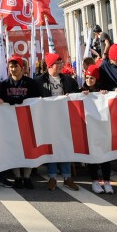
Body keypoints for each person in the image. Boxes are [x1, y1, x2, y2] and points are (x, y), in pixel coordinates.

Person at [34, 53, 79, 191]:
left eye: (61, 63)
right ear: (50, 65)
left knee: (65, 145)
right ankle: (52, 177)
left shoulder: (68, 80)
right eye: (58, 63)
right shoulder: (38, 81)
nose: (61, 66)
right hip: (47, 120)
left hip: (64, 118)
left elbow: (77, 95)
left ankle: (67, 176)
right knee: (51, 147)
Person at [0, 55, 41, 189]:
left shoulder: (31, 83)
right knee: (15, 149)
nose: (13, 69)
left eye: (15, 66)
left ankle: (27, 177)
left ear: (21, 68)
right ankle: (17, 177)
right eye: (11, 67)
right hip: (11, 123)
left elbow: (35, 100)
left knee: (28, 149)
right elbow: (1, 101)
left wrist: (15, 101)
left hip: (28, 121)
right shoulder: (4, 84)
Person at [80, 64, 113, 194]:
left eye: (92, 78)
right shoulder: (81, 91)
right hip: (89, 129)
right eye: (87, 78)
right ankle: (94, 181)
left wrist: (105, 94)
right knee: (93, 156)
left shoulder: (104, 91)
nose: (89, 80)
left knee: (105, 156)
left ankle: (107, 181)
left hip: (103, 128)